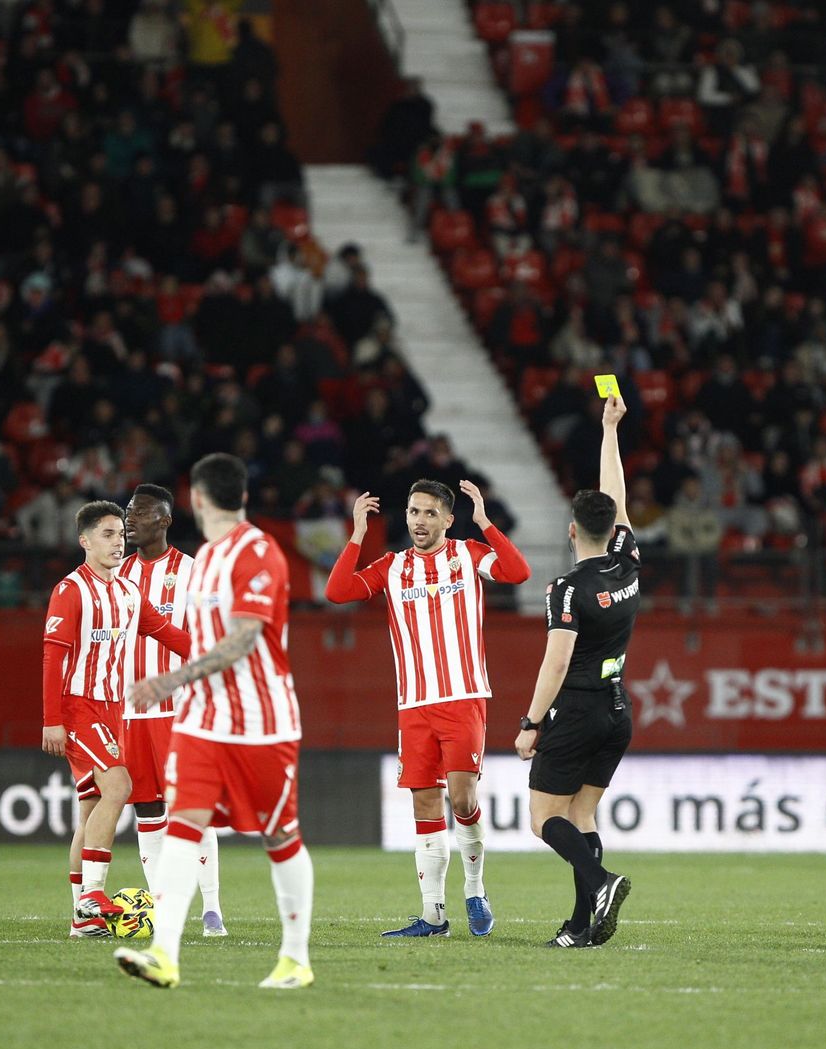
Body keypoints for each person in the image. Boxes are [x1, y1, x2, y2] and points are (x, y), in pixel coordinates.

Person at [114, 454, 314, 990]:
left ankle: (296, 958)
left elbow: (243, 638)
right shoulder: (204, 560)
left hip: (262, 722)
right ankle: (164, 952)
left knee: (280, 835)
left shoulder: (258, 553)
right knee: (182, 826)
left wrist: (169, 681)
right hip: (203, 722)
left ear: (198, 498)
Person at [324, 477, 531, 938]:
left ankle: (475, 890)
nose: (419, 521)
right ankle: (433, 914)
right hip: (414, 703)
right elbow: (338, 593)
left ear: (447, 520)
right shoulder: (392, 566)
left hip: (463, 697)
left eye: (429, 513)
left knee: (461, 799)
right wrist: (357, 534)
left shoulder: (468, 555)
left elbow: (518, 573)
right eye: (414, 512)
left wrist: (486, 524)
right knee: (424, 803)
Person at [514, 393, 637, 948]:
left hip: (580, 707)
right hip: (617, 709)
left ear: (571, 531)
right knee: (582, 816)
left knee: (544, 819)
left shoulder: (567, 590)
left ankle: (602, 883)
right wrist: (610, 431)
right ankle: (582, 924)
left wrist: (531, 721)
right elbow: (616, 498)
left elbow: (557, 659)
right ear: (613, 529)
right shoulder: (628, 562)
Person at [42, 501, 191, 937]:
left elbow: (167, 632)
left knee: (88, 812)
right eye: (107, 535)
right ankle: (93, 892)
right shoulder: (70, 591)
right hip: (79, 706)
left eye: (119, 535)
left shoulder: (127, 592)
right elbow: (53, 657)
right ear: (85, 541)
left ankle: (81, 920)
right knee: (121, 786)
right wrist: (52, 719)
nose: (117, 542)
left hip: (114, 711)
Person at [115, 483, 227, 936]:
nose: (129, 520)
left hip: (180, 711)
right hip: (129, 714)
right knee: (147, 812)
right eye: (127, 512)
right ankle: (163, 908)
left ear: (163, 520)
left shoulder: (192, 572)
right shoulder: (115, 574)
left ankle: (211, 909)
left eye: (139, 513)